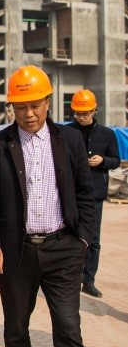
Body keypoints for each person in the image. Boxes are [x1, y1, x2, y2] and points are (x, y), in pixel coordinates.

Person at [0, 66, 94, 347]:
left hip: (63, 249)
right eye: (21, 106)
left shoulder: (70, 140)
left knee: (68, 329)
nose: (28, 114)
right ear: (12, 106)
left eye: (35, 105)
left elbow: (86, 193)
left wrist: (83, 239)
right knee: (16, 326)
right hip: (17, 252)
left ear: (48, 102)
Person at [67, 89, 120, 299]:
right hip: (70, 192)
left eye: (85, 114)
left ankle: (88, 280)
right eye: (78, 114)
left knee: (93, 239)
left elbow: (116, 160)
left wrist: (103, 161)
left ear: (94, 110)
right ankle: (69, 278)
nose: (81, 117)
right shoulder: (67, 133)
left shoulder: (107, 135)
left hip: (94, 194)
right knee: (69, 236)